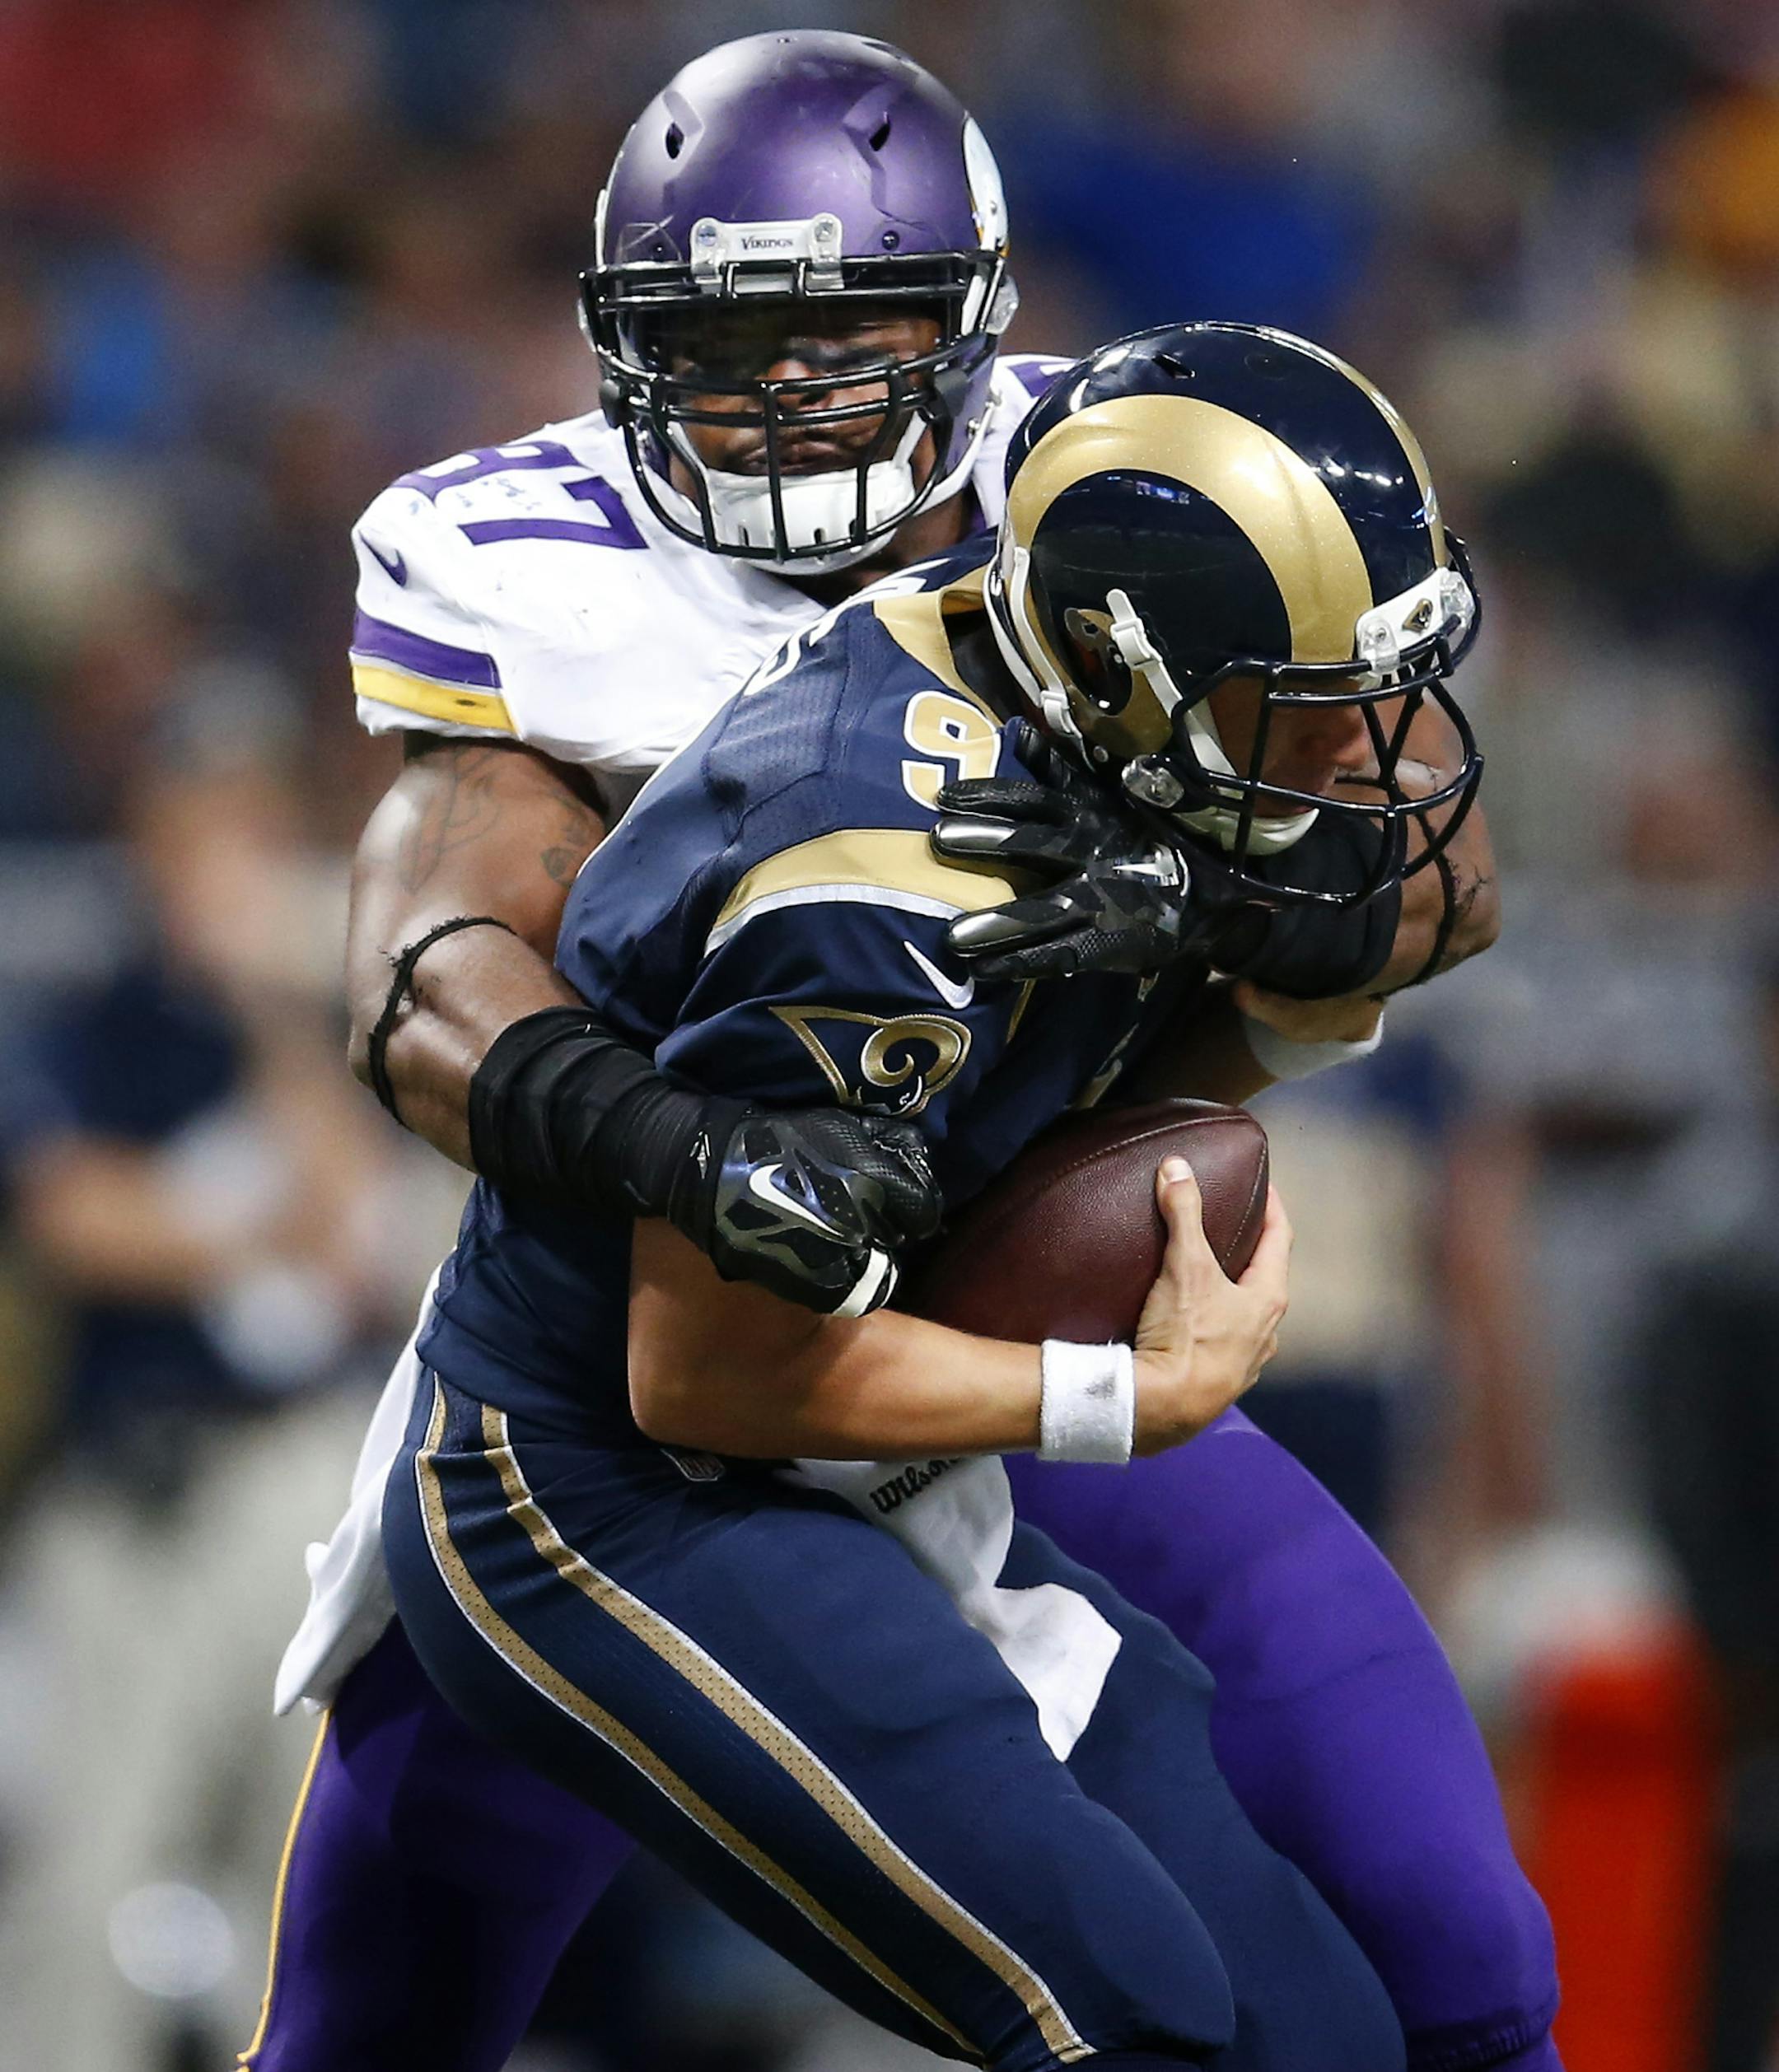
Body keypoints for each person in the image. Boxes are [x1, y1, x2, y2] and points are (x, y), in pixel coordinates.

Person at [245, 35, 1555, 2072]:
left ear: (971, 327)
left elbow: (1430, 859)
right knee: (384, 2010)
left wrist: (1183, 899)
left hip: (996, 1296)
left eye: (841, 334)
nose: (784, 393)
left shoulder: (1127, 472)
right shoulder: (528, 560)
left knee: (1446, 1943)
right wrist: (684, 1141)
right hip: (657, 1346)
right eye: (723, 345)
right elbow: (423, 974)